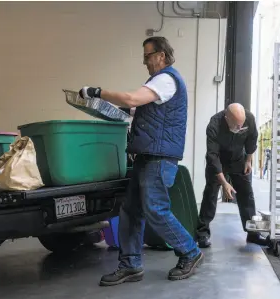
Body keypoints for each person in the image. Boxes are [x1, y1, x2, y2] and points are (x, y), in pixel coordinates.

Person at [78, 36, 203, 286]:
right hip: (147, 155)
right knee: (131, 211)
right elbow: (136, 109)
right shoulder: (158, 83)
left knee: (155, 209)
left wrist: (97, 91)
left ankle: (190, 251)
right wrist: (104, 105)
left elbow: (132, 99)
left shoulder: (167, 79)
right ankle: (131, 265)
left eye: (148, 55)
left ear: (162, 56)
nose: (144, 61)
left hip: (159, 157)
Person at [196, 103, 270, 248]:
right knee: (210, 194)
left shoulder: (248, 118)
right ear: (226, 118)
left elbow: (252, 138)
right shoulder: (214, 124)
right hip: (218, 161)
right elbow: (212, 156)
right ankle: (202, 234)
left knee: (246, 194)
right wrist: (224, 183)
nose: (239, 128)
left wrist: (248, 160)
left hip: (238, 159)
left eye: (241, 125)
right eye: (236, 125)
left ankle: (252, 233)